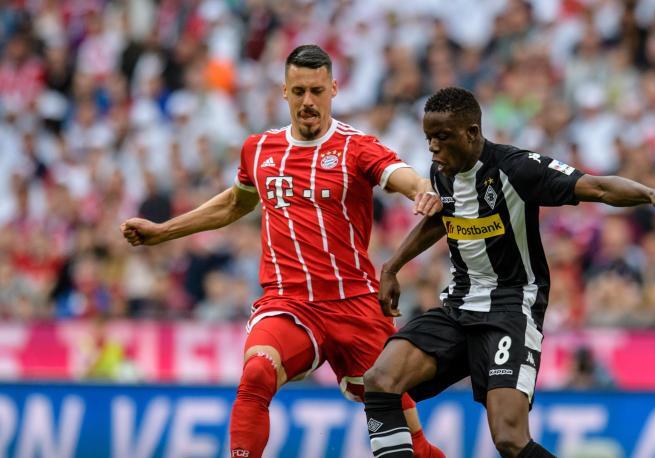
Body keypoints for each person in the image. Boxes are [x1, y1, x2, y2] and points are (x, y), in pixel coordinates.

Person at [120, 45, 444, 458]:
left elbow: (399, 174)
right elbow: (235, 203)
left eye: (317, 91)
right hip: (289, 303)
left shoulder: (355, 147)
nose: (308, 101)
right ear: (284, 92)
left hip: (357, 304)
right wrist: (163, 231)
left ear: (334, 90)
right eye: (299, 91)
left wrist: (423, 190)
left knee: (410, 437)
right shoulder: (259, 149)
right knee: (257, 372)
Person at [362, 87, 655, 458]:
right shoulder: (443, 171)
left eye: (442, 137)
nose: (433, 148)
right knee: (380, 381)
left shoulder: (517, 168)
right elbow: (441, 218)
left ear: (472, 132)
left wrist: (649, 193)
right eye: (429, 138)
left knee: (510, 439)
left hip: (511, 309)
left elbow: (597, 186)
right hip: (459, 307)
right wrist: (392, 266)